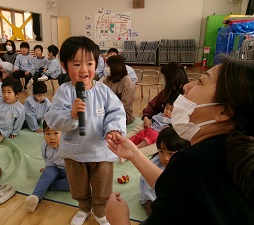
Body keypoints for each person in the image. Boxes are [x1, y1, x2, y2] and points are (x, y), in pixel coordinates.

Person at [105, 57, 254, 225]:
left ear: (224, 111)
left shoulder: (193, 162)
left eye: (200, 82)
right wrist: (134, 153)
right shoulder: (231, 152)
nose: (187, 86)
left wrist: (119, 220)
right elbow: (180, 189)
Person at [44, 36, 126, 225]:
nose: (83, 70)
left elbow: (116, 112)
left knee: (102, 185)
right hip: (75, 152)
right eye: (76, 64)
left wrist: (113, 130)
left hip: (100, 150)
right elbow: (52, 119)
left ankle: (99, 211)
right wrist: (71, 115)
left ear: (96, 64)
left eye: (89, 63)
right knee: (78, 185)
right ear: (64, 66)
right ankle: (83, 208)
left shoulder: (104, 91)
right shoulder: (64, 92)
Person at [126, 62, 188, 157]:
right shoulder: (166, 92)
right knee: (140, 128)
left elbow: (187, 124)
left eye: (164, 78)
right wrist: (146, 117)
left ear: (171, 79)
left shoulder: (187, 96)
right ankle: (122, 141)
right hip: (157, 124)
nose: (163, 80)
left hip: (172, 132)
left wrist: (170, 129)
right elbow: (152, 106)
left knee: (160, 144)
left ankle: (135, 153)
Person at [139, 127, 190, 215]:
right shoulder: (155, 164)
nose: (165, 158)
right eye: (161, 151)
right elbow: (147, 188)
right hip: (153, 198)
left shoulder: (185, 164)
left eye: (171, 153)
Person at [25, 121, 69, 212]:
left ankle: (45, 185)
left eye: (56, 133)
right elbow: (46, 158)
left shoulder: (69, 145)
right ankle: (35, 197)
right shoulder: (44, 146)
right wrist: (47, 168)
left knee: (75, 185)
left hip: (69, 170)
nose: (51, 137)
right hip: (54, 167)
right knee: (48, 173)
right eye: (47, 134)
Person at [102, 55, 135, 125]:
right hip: (106, 111)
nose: (106, 68)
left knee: (106, 122)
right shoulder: (106, 80)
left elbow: (125, 105)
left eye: (108, 66)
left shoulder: (127, 82)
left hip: (123, 114)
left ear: (115, 67)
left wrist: (108, 110)